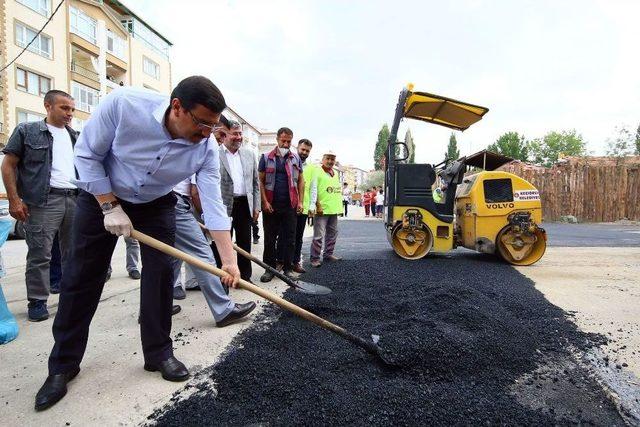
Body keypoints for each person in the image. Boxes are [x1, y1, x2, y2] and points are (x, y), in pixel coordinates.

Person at [34, 76, 243, 411]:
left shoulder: (205, 148)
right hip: (99, 194)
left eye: (213, 125)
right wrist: (109, 205)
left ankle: (159, 353)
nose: (207, 133)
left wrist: (228, 259)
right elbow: (86, 155)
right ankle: (62, 365)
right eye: (202, 123)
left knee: (161, 277)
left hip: (157, 203)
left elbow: (214, 203)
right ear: (177, 107)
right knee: (81, 280)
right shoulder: (124, 105)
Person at [1, 90, 78, 322]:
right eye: (64, 108)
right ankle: (37, 301)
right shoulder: (27, 131)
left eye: (72, 109)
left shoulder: (75, 136)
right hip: (44, 201)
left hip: (74, 199)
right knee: (40, 254)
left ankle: (69, 296)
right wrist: (14, 200)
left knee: (72, 254)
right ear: (48, 106)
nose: (69, 114)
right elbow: (8, 165)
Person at [170, 174, 254, 319]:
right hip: (175, 202)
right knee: (201, 253)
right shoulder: (205, 152)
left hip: (161, 200)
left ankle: (154, 308)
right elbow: (204, 196)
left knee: (168, 258)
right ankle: (224, 310)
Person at [258, 127, 304, 281]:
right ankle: (269, 269)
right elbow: (261, 181)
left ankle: (288, 268)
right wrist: (264, 202)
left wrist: (301, 202)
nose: (286, 144)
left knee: (290, 238)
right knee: (270, 238)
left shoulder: (296, 158)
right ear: (277, 139)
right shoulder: (266, 157)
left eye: (289, 141)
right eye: (283, 140)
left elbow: (301, 181)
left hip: (290, 204)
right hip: (271, 205)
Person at [218, 118, 261, 282]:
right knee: (223, 243)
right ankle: (224, 277)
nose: (239, 137)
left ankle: (245, 277)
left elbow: (256, 183)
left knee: (245, 242)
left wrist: (256, 206)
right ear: (225, 135)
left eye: (240, 134)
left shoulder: (249, 154)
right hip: (223, 206)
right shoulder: (215, 154)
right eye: (235, 134)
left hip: (244, 205)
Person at [308, 151, 342, 267]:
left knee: (333, 233)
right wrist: (316, 205)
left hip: (333, 209)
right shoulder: (317, 171)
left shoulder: (335, 173)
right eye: (328, 158)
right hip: (321, 209)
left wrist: (339, 208)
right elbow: (313, 189)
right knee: (318, 236)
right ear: (322, 159)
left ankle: (328, 254)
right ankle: (315, 258)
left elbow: (336, 190)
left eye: (332, 159)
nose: (330, 161)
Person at [291, 139, 314, 273]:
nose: (304, 152)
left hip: (303, 207)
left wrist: (311, 206)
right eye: (302, 149)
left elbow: (313, 188)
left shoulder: (311, 168)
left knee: (298, 237)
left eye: (307, 151)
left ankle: (295, 262)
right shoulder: (289, 162)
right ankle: (281, 261)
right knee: (286, 236)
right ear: (297, 148)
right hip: (289, 206)